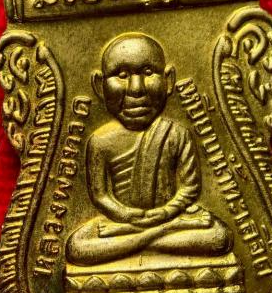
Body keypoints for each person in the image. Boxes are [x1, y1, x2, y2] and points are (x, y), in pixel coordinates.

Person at [66, 32, 232, 266]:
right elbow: (100, 196)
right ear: (99, 86)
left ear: (169, 81)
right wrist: (125, 215)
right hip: (123, 223)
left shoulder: (176, 133)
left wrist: (165, 213)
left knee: (218, 236)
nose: (137, 88)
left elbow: (190, 187)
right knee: (77, 247)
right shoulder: (100, 141)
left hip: (168, 219)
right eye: (122, 75)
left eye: (147, 72)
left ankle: (144, 239)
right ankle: (154, 238)